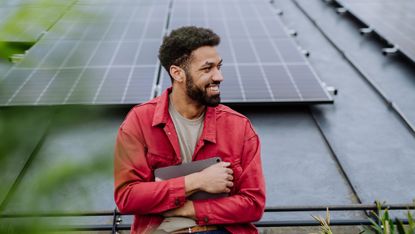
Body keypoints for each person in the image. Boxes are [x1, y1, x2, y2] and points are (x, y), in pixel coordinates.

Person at [114, 26, 266, 234]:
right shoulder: (139, 122)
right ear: (177, 73)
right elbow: (127, 197)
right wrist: (197, 181)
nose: (219, 76)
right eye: (207, 69)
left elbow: (253, 204)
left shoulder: (239, 127)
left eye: (219, 67)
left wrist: (190, 208)